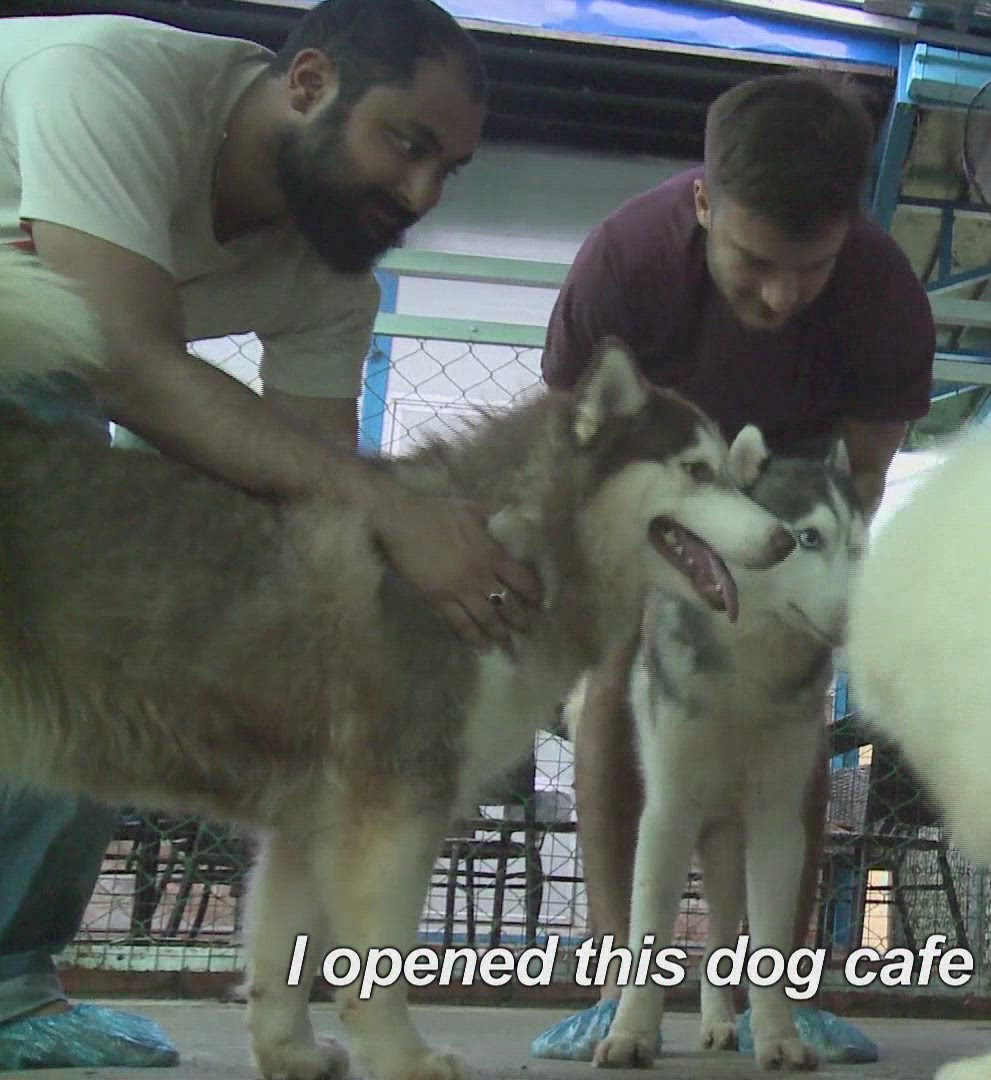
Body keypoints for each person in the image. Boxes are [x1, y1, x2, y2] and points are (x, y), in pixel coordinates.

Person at [0, 1, 533, 1069]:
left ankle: (11, 990)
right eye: (406, 143)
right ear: (309, 84)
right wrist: (396, 510)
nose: (421, 195)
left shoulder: (330, 277)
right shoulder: (104, 79)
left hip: (53, 367)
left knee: (117, 630)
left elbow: (310, 500)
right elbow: (129, 363)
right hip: (61, 362)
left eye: (448, 169)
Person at [528, 71, 934, 1065]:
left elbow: (861, 480)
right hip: (653, 492)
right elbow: (579, 458)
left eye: (812, 267)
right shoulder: (624, 265)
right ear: (705, 202)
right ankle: (623, 984)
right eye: (755, 262)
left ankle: (774, 996)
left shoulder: (883, 297)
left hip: (792, 499)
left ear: (849, 232)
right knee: (616, 679)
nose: (782, 294)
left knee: (793, 702)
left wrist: (794, 592)